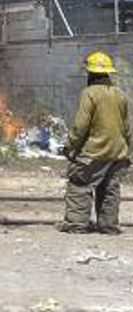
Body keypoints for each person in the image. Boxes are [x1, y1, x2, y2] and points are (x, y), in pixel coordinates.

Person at [59, 51, 131, 235]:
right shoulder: (120, 95)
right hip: (117, 154)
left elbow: (80, 125)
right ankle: (108, 226)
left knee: (79, 184)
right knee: (109, 190)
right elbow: (127, 127)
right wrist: (129, 151)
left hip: (94, 152)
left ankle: (76, 225)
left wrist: (70, 145)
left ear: (90, 73)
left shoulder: (89, 93)